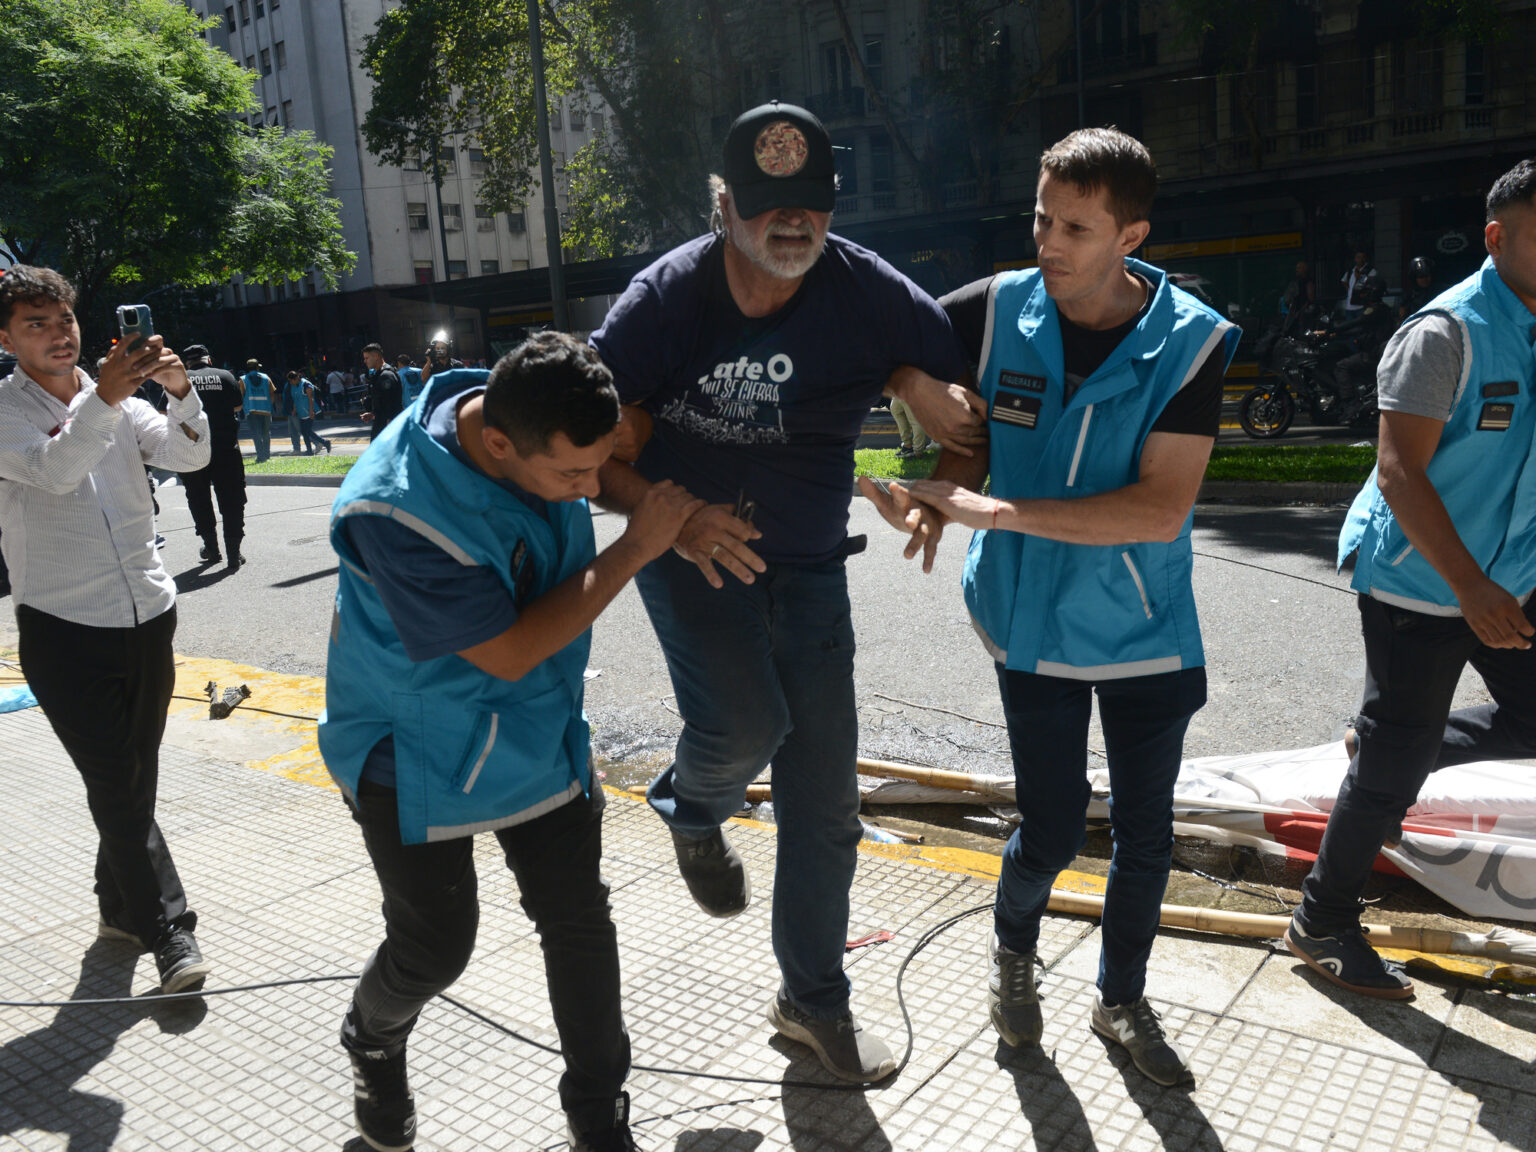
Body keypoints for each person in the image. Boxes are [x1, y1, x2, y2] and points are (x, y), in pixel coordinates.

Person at [589, 100, 983, 1084]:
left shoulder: (875, 297)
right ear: (725, 206)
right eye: (769, 208)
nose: (792, 225)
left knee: (826, 803)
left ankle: (813, 1001)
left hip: (810, 567)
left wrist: (938, 469)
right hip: (694, 557)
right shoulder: (664, 301)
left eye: (810, 205)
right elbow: (596, 457)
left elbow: (968, 415)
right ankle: (691, 802)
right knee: (743, 727)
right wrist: (670, 515)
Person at [865, 128, 1239, 1086]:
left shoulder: (1190, 342)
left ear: (1132, 235)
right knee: (1054, 828)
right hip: (1026, 616)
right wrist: (912, 388)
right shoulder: (996, 308)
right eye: (1041, 218)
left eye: (1076, 226)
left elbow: (1159, 506)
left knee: (1147, 835)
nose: (1050, 242)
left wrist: (993, 508)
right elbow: (863, 332)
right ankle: (1013, 956)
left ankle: (1121, 1001)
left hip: (1146, 627)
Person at [319, 332, 701, 1152]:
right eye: (572, 476)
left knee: (578, 922)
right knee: (433, 950)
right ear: (497, 443)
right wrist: (638, 544)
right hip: (413, 747)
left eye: (597, 469)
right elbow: (511, 650)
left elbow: (529, 651)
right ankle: (373, 1036)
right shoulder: (396, 508)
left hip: (535, 724)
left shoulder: (529, 407)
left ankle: (598, 1117)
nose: (591, 489)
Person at [1285, 159, 1536, 1000]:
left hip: (1516, 574)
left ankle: (1387, 735)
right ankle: (1320, 920)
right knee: (1396, 768)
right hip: (1420, 583)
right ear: (1497, 238)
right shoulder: (1447, 333)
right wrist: (1471, 588)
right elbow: (1399, 474)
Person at [0, 266, 214, 993]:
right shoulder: (6, 412)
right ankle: (169, 934)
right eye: (36, 325)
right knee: (117, 789)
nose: (58, 335)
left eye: (64, 320)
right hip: (63, 628)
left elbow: (190, 454)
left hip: (148, 615)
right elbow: (56, 471)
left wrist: (179, 391)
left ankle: (116, 907)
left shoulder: (114, 399)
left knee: (133, 780)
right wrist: (110, 398)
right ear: (6, 339)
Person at [181, 344, 248, 567]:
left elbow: (163, 412)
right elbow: (237, 406)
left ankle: (211, 548)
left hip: (192, 451)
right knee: (232, 499)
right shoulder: (225, 376)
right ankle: (233, 553)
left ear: (187, 363)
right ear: (208, 359)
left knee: (199, 499)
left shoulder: (180, 380)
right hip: (225, 449)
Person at [359, 343, 402, 441]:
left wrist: (389, 423)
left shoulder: (386, 375)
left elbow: (390, 403)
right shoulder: (379, 374)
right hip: (382, 423)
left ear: (376, 356)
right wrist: (372, 413)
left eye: (367, 358)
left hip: (386, 426)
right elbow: (381, 401)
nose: (365, 361)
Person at [286, 369, 331, 455]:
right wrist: (294, 410)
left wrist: (311, 411)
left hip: (309, 411)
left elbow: (311, 399)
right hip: (301, 413)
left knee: (307, 431)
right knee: (304, 432)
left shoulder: (306, 385)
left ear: (295, 379)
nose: (290, 383)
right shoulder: (293, 386)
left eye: (291, 381)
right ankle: (309, 450)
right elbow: (295, 399)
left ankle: (324, 442)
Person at [242, 358, 274, 462]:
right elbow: (272, 394)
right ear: (257, 367)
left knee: (256, 435)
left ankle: (260, 457)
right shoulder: (266, 378)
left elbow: (240, 395)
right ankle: (267, 455)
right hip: (266, 410)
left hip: (252, 411)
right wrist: (269, 405)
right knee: (266, 434)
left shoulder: (242, 380)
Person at [1282, 260, 1317, 335]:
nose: (1297, 269)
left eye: (1299, 268)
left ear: (1304, 269)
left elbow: (1310, 299)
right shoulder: (1298, 281)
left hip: (1304, 312)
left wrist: (1301, 311)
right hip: (1297, 311)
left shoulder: (1308, 281)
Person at [1398, 255, 1437, 323]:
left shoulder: (1438, 291)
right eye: (1421, 276)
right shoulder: (1408, 296)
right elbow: (1402, 317)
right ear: (1414, 278)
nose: (1425, 279)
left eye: (1427, 275)